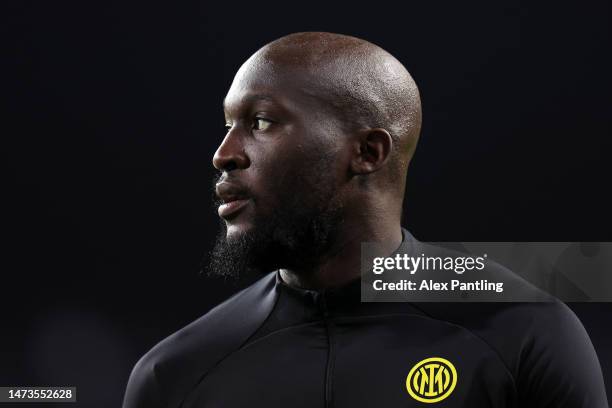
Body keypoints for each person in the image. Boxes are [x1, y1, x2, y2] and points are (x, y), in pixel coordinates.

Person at [122, 32, 608, 408]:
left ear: (367, 152)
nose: (224, 154)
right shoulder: (174, 373)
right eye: (228, 126)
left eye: (261, 122)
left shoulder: (524, 333)